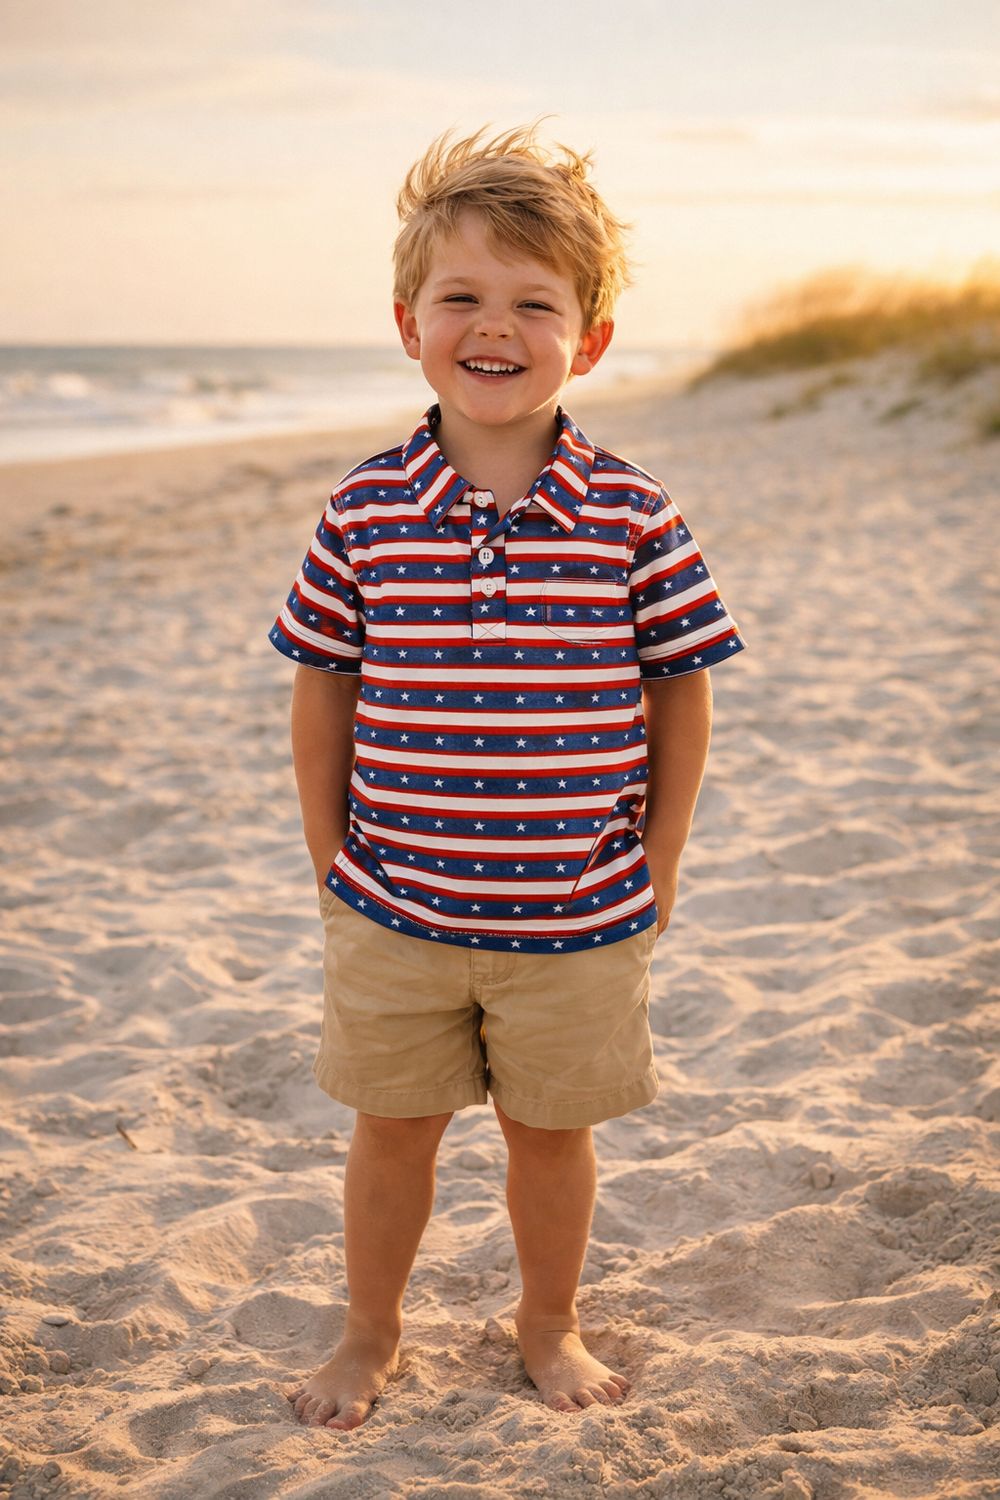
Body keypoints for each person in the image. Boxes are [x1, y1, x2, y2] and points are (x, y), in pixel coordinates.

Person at [272, 123, 747, 1431]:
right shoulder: (366, 508)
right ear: (408, 321)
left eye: (534, 302)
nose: (495, 326)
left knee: (552, 1140)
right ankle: (370, 1332)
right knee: (392, 1135)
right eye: (462, 298)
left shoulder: (630, 509)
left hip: (577, 916)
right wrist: (329, 857)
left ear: (587, 338)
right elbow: (322, 687)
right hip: (393, 908)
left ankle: (549, 1324)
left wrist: (658, 861)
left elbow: (680, 689)